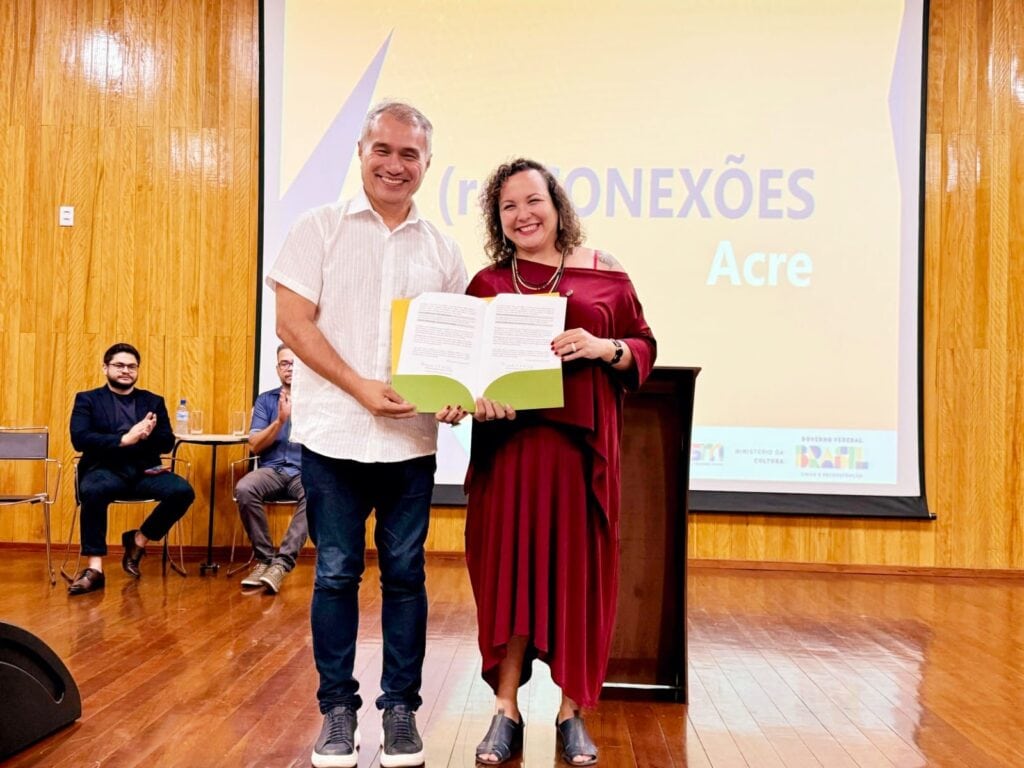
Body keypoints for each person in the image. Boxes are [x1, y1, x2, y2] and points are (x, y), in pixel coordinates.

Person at [437, 158, 656, 766]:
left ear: (557, 206)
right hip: (509, 454)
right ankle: (504, 711)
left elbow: (643, 344)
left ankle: (572, 712)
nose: (522, 214)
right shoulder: (485, 284)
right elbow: (461, 369)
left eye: (533, 201)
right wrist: (464, 400)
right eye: (508, 206)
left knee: (576, 578)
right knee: (508, 575)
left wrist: (602, 346)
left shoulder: (607, 277)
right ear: (497, 218)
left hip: (580, 456)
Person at [269, 101, 467, 768]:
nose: (394, 164)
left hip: (411, 445)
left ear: (427, 164)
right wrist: (358, 388)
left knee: (406, 577)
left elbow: (456, 354)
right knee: (335, 574)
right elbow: (293, 324)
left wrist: (456, 397)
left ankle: (401, 710)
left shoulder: (444, 251)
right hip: (333, 440)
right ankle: (337, 712)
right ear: (360, 152)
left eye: (409, 154)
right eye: (383, 149)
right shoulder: (317, 229)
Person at [67, 343, 196, 595]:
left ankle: (138, 540)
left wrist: (146, 436)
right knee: (92, 490)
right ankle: (95, 569)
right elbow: (80, 439)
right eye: (119, 365)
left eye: (131, 366)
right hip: (104, 470)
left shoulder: (153, 401)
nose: (126, 370)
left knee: (183, 491)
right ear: (105, 368)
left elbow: (167, 442)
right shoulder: (88, 399)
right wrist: (124, 439)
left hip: (143, 471)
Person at [234, 343, 306, 594]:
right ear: (277, 369)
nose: (290, 368)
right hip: (272, 469)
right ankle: (264, 559)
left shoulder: (317, 400)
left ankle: (282, 564)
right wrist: (280, 421)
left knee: (317, 492)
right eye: (285, 363)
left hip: (305, 471)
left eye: (295, 363)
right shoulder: (266, 400)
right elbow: (254, 445)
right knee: (245, 487)